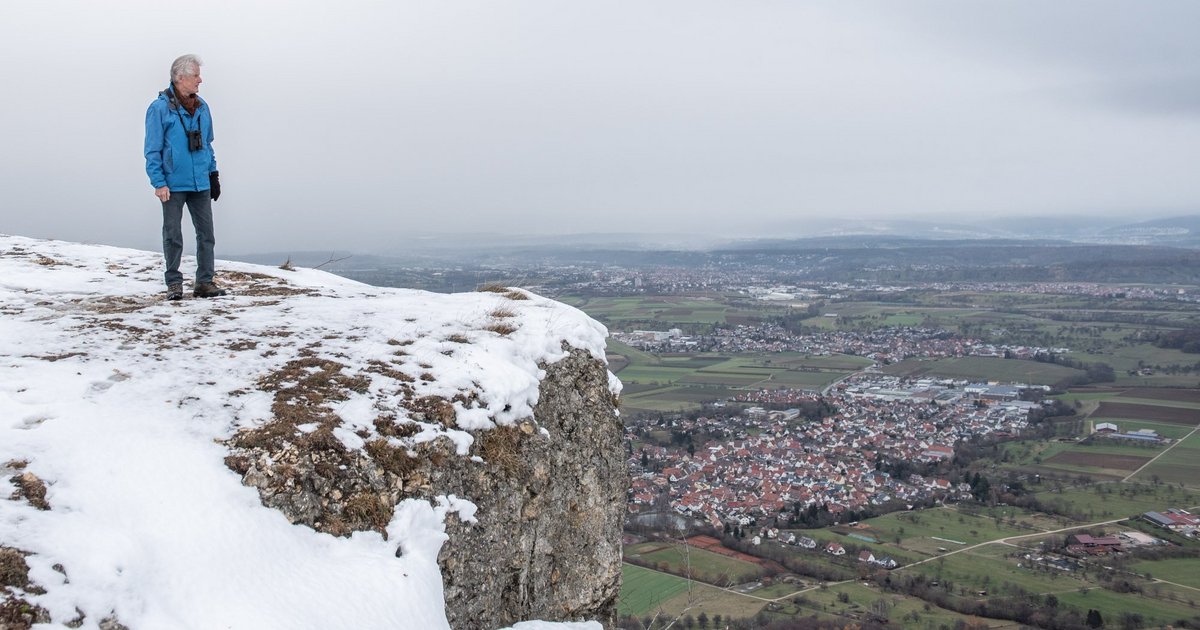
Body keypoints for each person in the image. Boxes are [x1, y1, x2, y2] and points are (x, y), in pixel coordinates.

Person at [144, 54, 226, 300]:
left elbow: (208, 145)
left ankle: (204, 283)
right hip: (172, 184)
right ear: (180, 78)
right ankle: (174, 283)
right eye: (196, 76)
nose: (200, 80)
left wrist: (213, 174)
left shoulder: (202, 107)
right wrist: (158, 182)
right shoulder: (159, 108)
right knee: (173, 234)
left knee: (206, 235)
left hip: (200, 181)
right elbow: (152, 150)